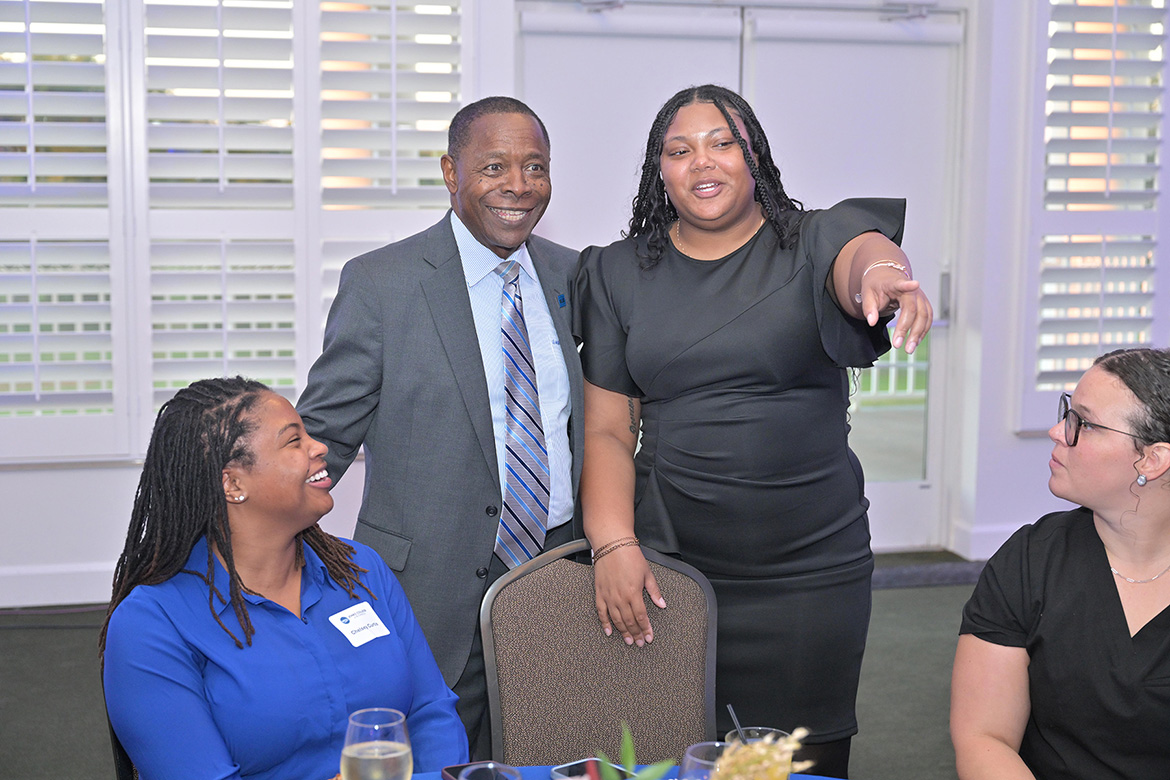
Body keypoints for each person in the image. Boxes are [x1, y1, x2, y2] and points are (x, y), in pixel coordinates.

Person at [574, 84, 932, 779]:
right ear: (659, 170)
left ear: (753, 155)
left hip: (809, 570)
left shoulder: (811, 239)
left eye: (722, 143)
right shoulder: (618, 272)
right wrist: (612, 543)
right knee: (669, 753)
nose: (701, 162)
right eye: (678, 150)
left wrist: (891, 279)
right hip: (671, 565)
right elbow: (609, 429)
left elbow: (865, 252)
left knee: (799, 760)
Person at [296, 96, 583, 756]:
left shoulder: (577, 275)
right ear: (451, 173)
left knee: (550, 750)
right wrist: (248, 533)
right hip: (425, 586)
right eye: (494, 166)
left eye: (535, 166)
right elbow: (327, 433)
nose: (518, 185)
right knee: (433, 759)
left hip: (560, 571)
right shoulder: (381, 284)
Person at [101, 377, 467, 780]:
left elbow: (431, 713)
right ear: (233, 483)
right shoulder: (151, 625)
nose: (319, 446)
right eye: (294, 441)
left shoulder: (362, 570)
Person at [951, 348, 1170, 780]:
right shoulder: (1031, 560)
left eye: (1083, 424)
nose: (1056, 431)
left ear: (1151, 460)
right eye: (1068, 413)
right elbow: (984, 737)